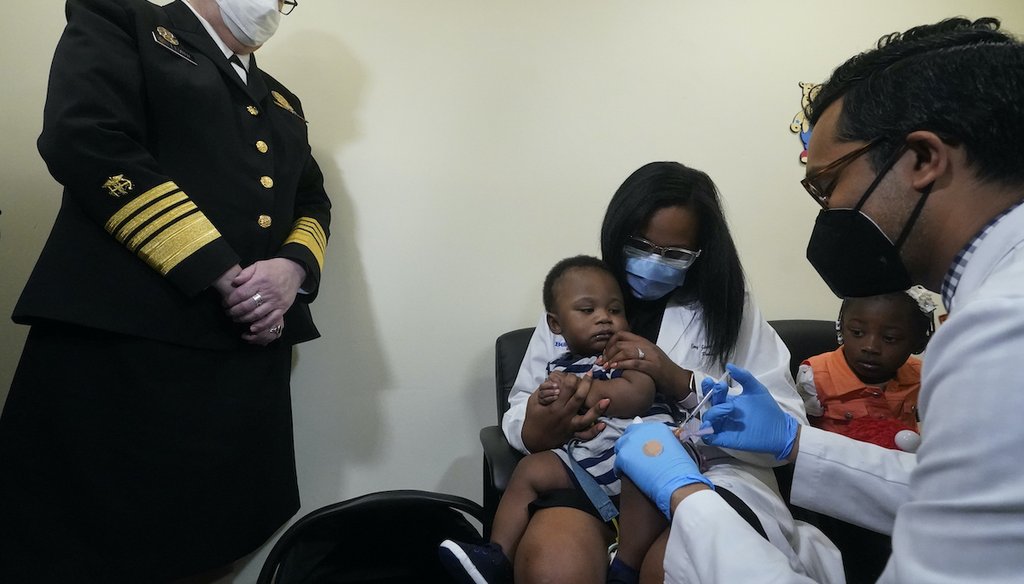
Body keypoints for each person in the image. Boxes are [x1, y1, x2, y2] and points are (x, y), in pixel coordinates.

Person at [614, 17, 1024, 583]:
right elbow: (966, 505)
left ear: (924, 159)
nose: (826, 211)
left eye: (827, 185)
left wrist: (690, 501)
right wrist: (793, 445)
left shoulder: (1001, 330)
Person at [0, 0, 330, 582]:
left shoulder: (283, 101)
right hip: (124, 350)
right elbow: (86, 137)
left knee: (210, 543)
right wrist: (219, 270)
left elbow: (312, 202)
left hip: (242, 364)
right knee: (78, 544)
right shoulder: (123, 22)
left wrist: (293, 270)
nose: (277, 4)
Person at [501, 162, 841, 583]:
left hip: (706, 476)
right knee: (552, 563)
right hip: (590, 471)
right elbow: (521, 408)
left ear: (700, 253)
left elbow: (786, 425)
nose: (654, 263)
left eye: (675, 254)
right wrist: (542, 422)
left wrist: (677, 380)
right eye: (641, 245)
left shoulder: (730, 309)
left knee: (670, 565)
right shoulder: (578, 296)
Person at [441, 256, 673, 584]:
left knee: (648, 461)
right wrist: (548, 400)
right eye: (587, 310)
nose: (604, 319)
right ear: (555, 325)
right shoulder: (559, 365)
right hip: (588, 467)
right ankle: (495, 555)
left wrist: (584, 389)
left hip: (640, 459)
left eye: (614, 310)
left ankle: (627, 565)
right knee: (531, 469)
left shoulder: (626, 353)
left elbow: (639, 395)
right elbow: (536, 415)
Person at [795, 287, 934, 447]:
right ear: (841, 327)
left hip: (900, 465)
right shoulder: (816, 377)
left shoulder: (922, 376)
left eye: (889, 338)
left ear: (919, 343)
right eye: (857, 332)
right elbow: (804, 436)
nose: (870, 347)